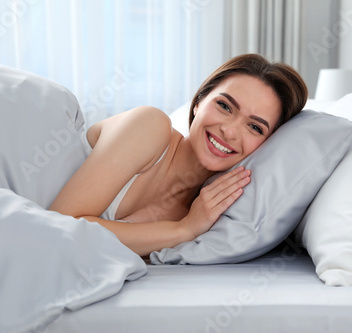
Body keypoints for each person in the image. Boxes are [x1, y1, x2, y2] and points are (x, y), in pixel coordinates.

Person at [50, 54, 308, 256]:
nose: (229, 131)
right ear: (199, 102)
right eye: (224, 106)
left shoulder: (213, 214)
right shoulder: (150, 126)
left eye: (254, 127)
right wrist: (184, 229)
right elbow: (59, 227)